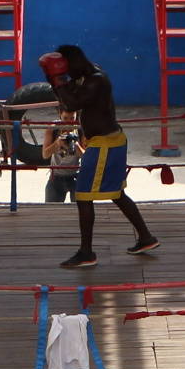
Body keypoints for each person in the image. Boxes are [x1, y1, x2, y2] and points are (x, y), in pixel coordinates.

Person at [43, 44, 157, 269]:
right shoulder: (84, 77)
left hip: (104, 144)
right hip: (108, 141)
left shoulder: (96, 79)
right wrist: (56, 81)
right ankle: (146, 238)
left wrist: (56, 78)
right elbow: (68, 102)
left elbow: (74, 103)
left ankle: (86, 253)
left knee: (84, 196)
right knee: (117, 193)